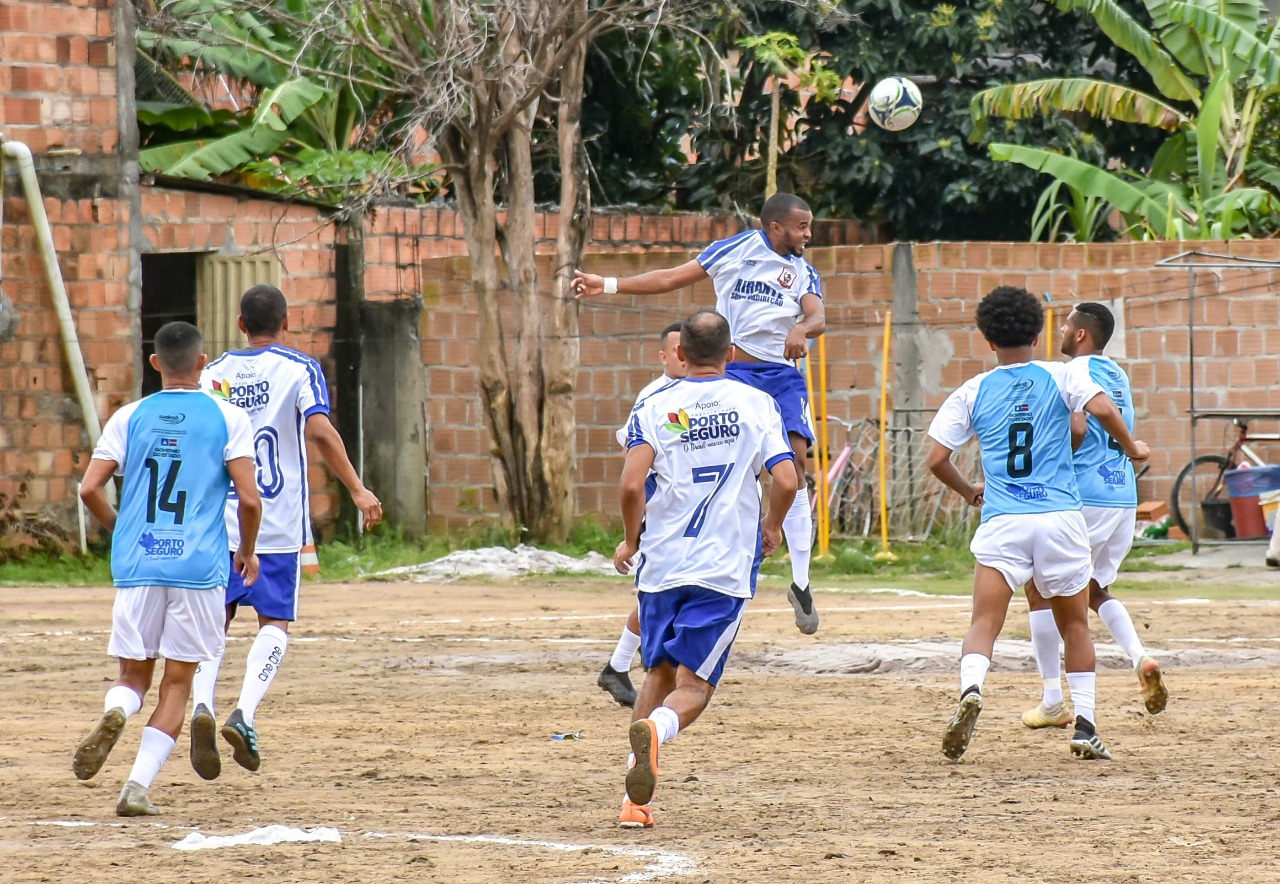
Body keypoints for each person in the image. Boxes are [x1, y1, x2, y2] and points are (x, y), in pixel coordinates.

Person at [575, 192, 825, 636]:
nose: (809, 233)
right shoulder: (737, 249)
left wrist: (800, 328)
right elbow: (672, 276)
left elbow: (817, 314)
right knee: (711, 458)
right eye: (802, 226)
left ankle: (800, 582)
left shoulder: (804, 270)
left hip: (782, 376)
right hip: (735, 371)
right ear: (774, 227)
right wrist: (608, 284)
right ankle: (672, 537)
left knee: (796, 464)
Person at [925, 286, 1150, 762]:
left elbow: (936, 459)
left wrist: (968, 490)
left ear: (987, 338)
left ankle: (971, 690)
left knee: (984, 621)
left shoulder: (973, 389)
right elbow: (1099, 413)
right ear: (1040, 330)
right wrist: (1132, 448)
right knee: (1076, 625)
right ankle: (1085, 726)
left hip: (1005, 518)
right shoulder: (1062, 374)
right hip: (1061, 519)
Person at [613, 311, 798, 828]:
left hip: (661, 564)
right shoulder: (756, 403)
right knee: (693, 686)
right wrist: (772, 525)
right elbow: (786, 481)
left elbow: (631, 487)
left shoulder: (654, 404)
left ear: (682, 353)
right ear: (731, 353)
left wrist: (632, 539)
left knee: (657, 672)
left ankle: (633, 799)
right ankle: (659, 732)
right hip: (723, 567)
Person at [192, 284, 382, 775]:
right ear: (287, 322)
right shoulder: (299, 368)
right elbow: (318, 430)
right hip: (275, 524)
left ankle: (202, 705)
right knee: (274, 623)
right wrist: (358, 490)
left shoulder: (213, 374)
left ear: (240, 323)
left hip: (220, 522)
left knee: (215, 621)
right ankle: (245, 713)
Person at [73, 321, 261, 815]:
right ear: (203, 363)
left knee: (133, 675)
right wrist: (247, 549)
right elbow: (249, 498)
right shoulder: (227, 417)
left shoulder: (128, 416)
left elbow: (89, 488)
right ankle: (137, 786)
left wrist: (122, 530)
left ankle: (116, 710)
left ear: (155, 363)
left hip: (140, 563)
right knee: (178, 682)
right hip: (198, 567)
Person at [1021, 303, 1168, 730]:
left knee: (1039, 591)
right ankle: (1140, 656)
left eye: (1066, 325)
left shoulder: (1074, 372)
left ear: (1081, 334)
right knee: (1094, 588)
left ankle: (1052, 700)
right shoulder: (1117, 374)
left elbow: (1082, 427)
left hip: (1081, 496)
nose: (1061, 331)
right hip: (1121, 496)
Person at [600, 322, 687, 708]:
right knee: (658, 588)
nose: (684, 356)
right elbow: (632, 460)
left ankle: (618, 666)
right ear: (664, 357)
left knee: (663, 587)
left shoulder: (706, 392)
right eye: (677, 350)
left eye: (689, 349)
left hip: (684, 509)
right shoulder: (653, 396)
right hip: (661, 508)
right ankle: (630, 667)